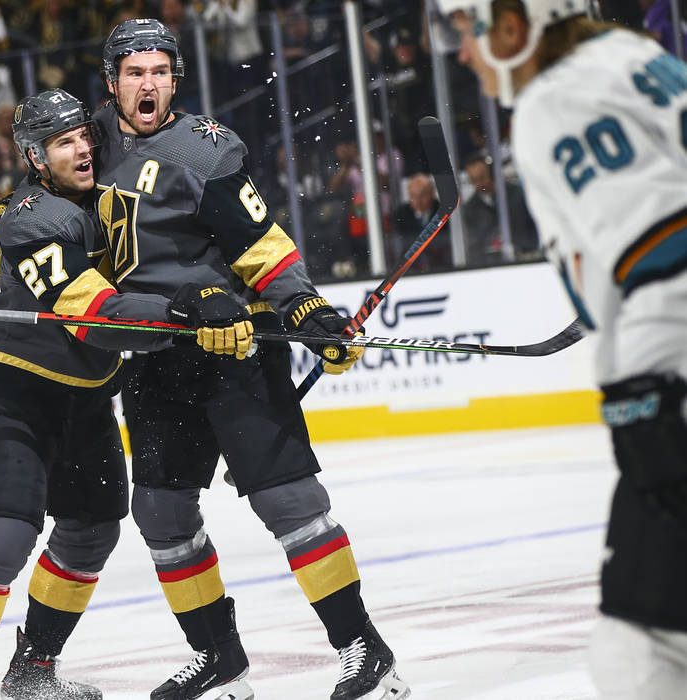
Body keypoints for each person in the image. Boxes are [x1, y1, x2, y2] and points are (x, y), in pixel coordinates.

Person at [92, 18, 408, 700]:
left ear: (176, 78)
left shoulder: (206, 152)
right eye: (135, 72)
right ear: (112, 82)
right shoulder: (87, 144)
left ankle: (364, 648)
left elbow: (260, 243)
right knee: (161, 516)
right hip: (152, 355)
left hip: (230, 346)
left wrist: (306, 310)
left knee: (289, 501)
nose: (149, 84)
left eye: (160, 71)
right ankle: (219, 658)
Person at [0, 87, 252, 700]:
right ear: (35, 158)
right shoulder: (31, 219)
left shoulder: (105, 196)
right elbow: (97, 317)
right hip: (16, 390)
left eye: (82, 137)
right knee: (4, 534)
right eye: (61, 143)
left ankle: (31, 674)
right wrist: (184, 307)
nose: (80, 150)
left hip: (88, 392)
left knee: (91, 529)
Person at [438, 1, 687, 697]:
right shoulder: (637, 59)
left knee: (644, 649)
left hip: (674, 374)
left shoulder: (556, 99)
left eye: (467, 31)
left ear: (513, 27)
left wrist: (645, 393)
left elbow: (667, 245)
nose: (462, 52)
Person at [460, 151, 539, 265]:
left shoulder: (518, 194)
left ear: (492, 173)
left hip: (528, 260)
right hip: (493, 267)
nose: (479, 184)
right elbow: (474, 248)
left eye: (482, 177)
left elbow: (533, 228)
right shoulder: (470, 210)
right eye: (474, 180)